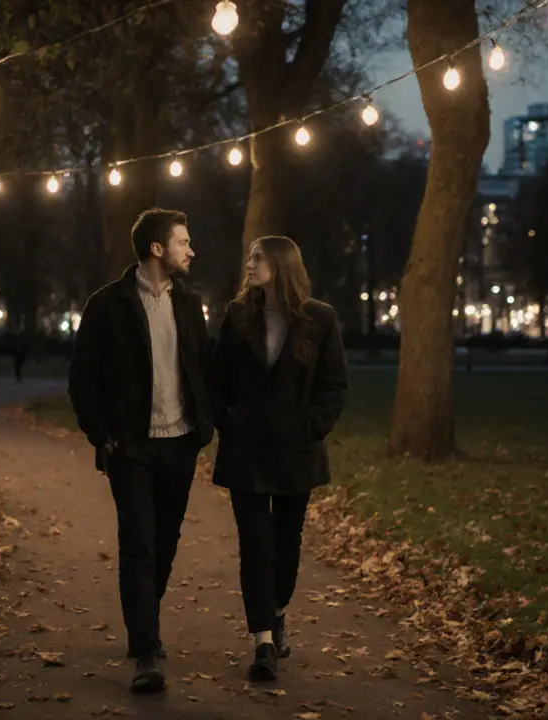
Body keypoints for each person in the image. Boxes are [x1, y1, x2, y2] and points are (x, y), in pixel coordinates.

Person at [67, 208, 216, 694]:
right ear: (157, 249)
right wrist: (100, 432)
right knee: (139, 544)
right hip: (130, 446)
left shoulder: (190, 304)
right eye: (183, 242)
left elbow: (204, 368)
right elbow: (82, 376)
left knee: (166, 542)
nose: (191, 251)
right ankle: (147, 650)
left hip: (180, 442)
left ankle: (142, 622)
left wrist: (204, 424)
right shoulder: (107, 305)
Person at [212, 236, 348, 682]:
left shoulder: (319, 318)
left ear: (281, 265)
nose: (249, 264)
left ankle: (277, 610)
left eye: (258, 258)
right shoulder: (236, 316)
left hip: (296, 453)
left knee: (286, 546)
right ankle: (263, 641)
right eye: (249, 256)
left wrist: (309, 427)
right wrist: (228, 421)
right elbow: (218, 380)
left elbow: (333, 386)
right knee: (255, 545)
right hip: (246, 451)